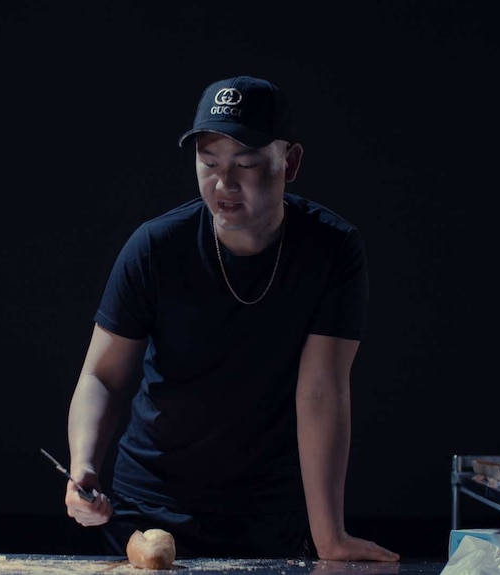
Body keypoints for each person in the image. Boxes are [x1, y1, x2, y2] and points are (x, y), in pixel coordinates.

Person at [63, 74, 400, 561]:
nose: (224, 184)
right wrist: (84, 464)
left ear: (291, 163)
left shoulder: (332, 249)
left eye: (246, 164)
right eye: (209, 162)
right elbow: (102, 374)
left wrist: (331, 538)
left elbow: (321, 391)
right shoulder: (156, 246)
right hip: (150, 508)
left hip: (269, 513)